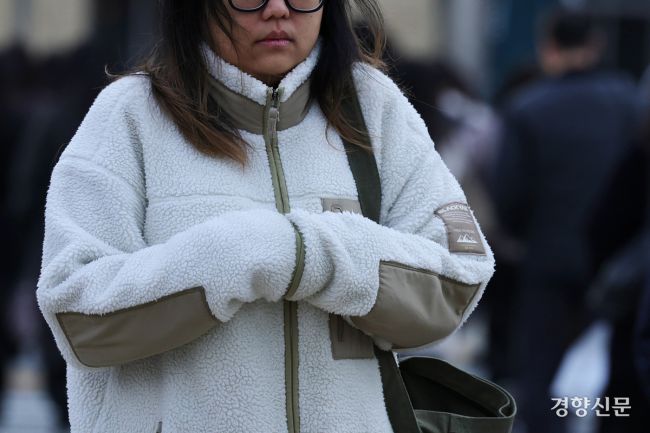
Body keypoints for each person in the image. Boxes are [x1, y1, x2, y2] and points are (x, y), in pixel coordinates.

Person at [35, 1, 495, 432]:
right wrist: (238, 254)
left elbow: (459, 278)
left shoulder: (373, 107)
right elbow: (76, 310)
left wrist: (310, 253)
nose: (277, 9)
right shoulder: (130, 116)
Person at [492, 9, 643, 433]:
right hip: (622, 266)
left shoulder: (527, 107)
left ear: (548, 47)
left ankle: (552, 425)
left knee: (540, 374)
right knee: (620, 372)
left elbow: (509, 195)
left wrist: (523, 237)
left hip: (549, 260)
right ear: (595, 45)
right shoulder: (629, 102)